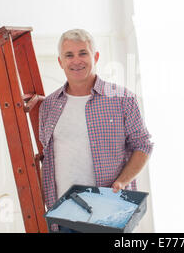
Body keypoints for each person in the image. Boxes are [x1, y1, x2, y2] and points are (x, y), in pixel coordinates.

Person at [38, 29, 153, 232]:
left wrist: (122, 182)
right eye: (69, 55)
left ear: (95, 56)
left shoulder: (122, 99)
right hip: (64, 215)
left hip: (109, 213)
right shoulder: (48, 106)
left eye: (83, 53)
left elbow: (143, 144)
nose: (76, 61)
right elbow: (47, 157)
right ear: (60, 62)